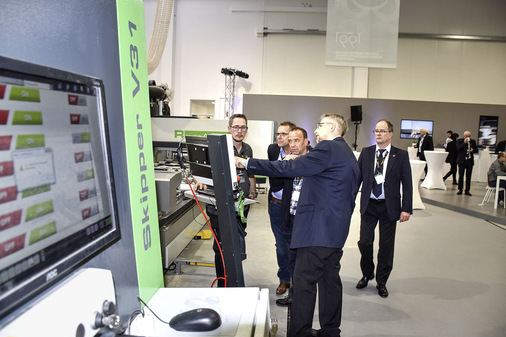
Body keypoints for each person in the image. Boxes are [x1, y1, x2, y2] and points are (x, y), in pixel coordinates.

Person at [236, 114, 360, 337]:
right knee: (330, 281)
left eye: (320, 125)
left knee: (303, 283)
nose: (315, 130)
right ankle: (330, 330)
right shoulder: (346, 153)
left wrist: (246, 163)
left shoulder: (328, 149)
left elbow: (289, 169)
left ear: (332, 128)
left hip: (317, 232)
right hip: (334, 231)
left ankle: (300, 332)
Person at [356, 120, 412, 298]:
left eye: (382, 131)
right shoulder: (366, 153)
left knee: (386, 246)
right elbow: (357, 178)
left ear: (391, 134)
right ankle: (367, 272)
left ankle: (382, 281)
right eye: (376, 131)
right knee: (364, 242)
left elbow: (408, 183)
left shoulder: (400, 155)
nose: (378, 134)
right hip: (369, 204)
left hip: (390, 206)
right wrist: (347, 200)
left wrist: (406, 208)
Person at [201, 114, 257, 287]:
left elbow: (250, 172)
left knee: (236, 245)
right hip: (220, 207)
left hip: (242, 206)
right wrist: (199, 181)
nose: (239, 131)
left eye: (243, 128)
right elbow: (203, 169)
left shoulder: (247, 148)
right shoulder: (219, 146)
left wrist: (253, 190)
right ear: (229, 128)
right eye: (236, 127)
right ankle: (223, 284)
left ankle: (234, 280)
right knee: (221, 247)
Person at [274, 127, 311, 307]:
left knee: (305, 262)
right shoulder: (288, 161)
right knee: (290, 256)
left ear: (306, 142)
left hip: (307, 221)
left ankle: (302, 299)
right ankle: (294, 296)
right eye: (291, 141)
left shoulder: (314, 162)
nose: (293, 145)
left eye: (297, 140)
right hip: (290, 216)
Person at [267, 121, 296, 295]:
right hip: (275, 204)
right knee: (280, 246)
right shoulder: (272, 150)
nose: (279, 137)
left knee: (293, 245)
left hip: (293, 207)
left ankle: (296, 279)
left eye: (283, 134)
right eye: (278, 134)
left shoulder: (299, 153)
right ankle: (284, 279)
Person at [456, 130, 478, 196]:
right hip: (462, 161)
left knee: (468, 176)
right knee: (461, 175)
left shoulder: (473, 141)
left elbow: (476, 149)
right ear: (464, 136)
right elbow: (458, 148)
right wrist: (464, 143)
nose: (468, 137)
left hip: (469, 161)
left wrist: (473, 150)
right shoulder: (460, 141)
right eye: (466, 136)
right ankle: (460, 189)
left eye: (469, 136)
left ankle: (467, 190)